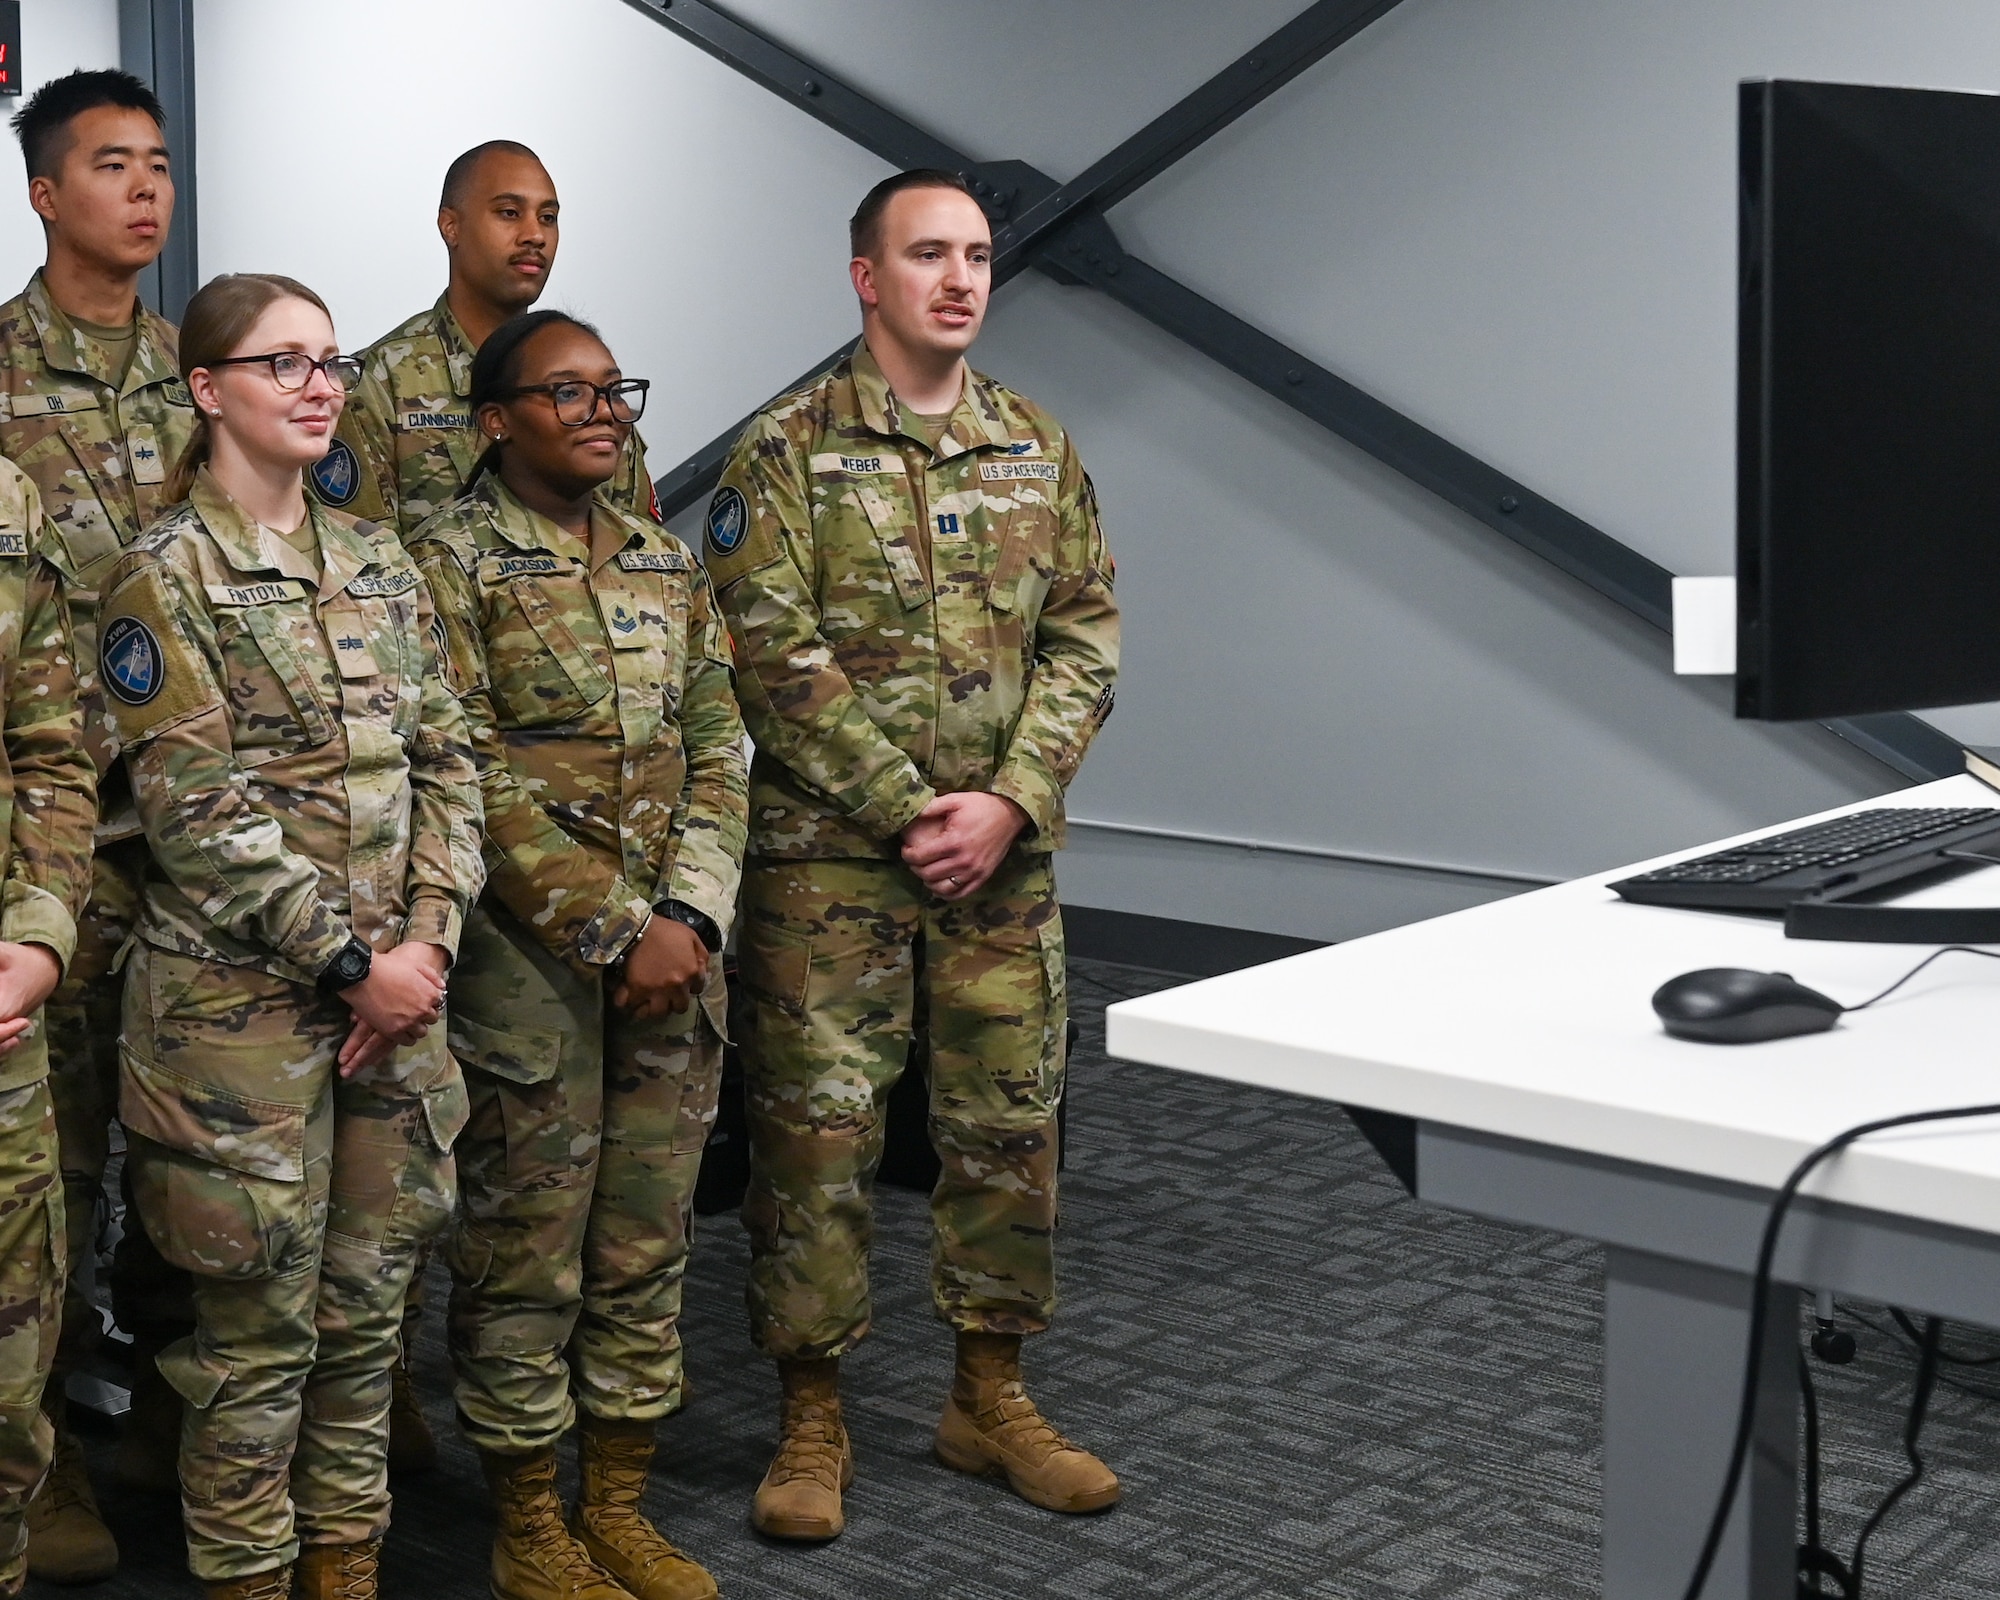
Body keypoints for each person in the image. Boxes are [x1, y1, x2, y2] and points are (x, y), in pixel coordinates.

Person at [706, 168, 1122, 1543]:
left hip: (1001, 869)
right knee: (815, 1145)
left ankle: (985, 1397)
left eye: (979, 256)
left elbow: (1085, 635)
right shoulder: (784, 452)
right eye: (928, 253)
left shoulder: (1035, 447)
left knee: (1007, 1132)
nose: (959, 279)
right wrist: (905, 807)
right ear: (864, 278)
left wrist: (1005, 801)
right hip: (833, 872)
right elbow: (772, 654)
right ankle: (811, 1412)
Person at [96, 272, 483, 1600]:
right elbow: (197, 814)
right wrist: (353, 966)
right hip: (240, 1027)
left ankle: (347, 1568)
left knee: (366, 1323)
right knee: (256, 1343)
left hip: (395, 1007)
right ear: (209, 390)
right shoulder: (162, 575)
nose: (321, 385)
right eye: (284, 364)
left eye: (330, 362)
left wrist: (425, 946)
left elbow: (451, 764)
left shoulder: (379, 559)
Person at [411, 309, 745, 1600]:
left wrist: (694, 920)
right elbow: (465, 768)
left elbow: (724, 748)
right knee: (524, 1248)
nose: (606, 411)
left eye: (617, 390)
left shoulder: (665, 562)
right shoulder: (442, 567)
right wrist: (616, 926)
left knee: (646, 1241)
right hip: (522, 972)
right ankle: (528, 1517)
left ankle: (617, 1500)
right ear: (497, 420)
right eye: (570, 392)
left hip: (676, 964)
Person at [0, 66, 199, 1581]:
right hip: (57, 849)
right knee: (51, 1173)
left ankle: (176, 1421)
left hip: (199, 841)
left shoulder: (210, 376)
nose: (144, 190)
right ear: (43, 193)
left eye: (159, 163)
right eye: (111, 163)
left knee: (194, 1154)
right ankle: (44, 1452)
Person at [320, 140, 658, 542]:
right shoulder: (375, 384)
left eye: (548, 217)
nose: (534, 234)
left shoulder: (593, 390)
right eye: (509, 213)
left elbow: (642, 552)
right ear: (451, 226)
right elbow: (364, 568)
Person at [0, 456, 103, 1598]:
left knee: (7, 1398)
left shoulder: (6, 500)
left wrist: (36, 940)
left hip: (3, 1025)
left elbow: (51, 752)